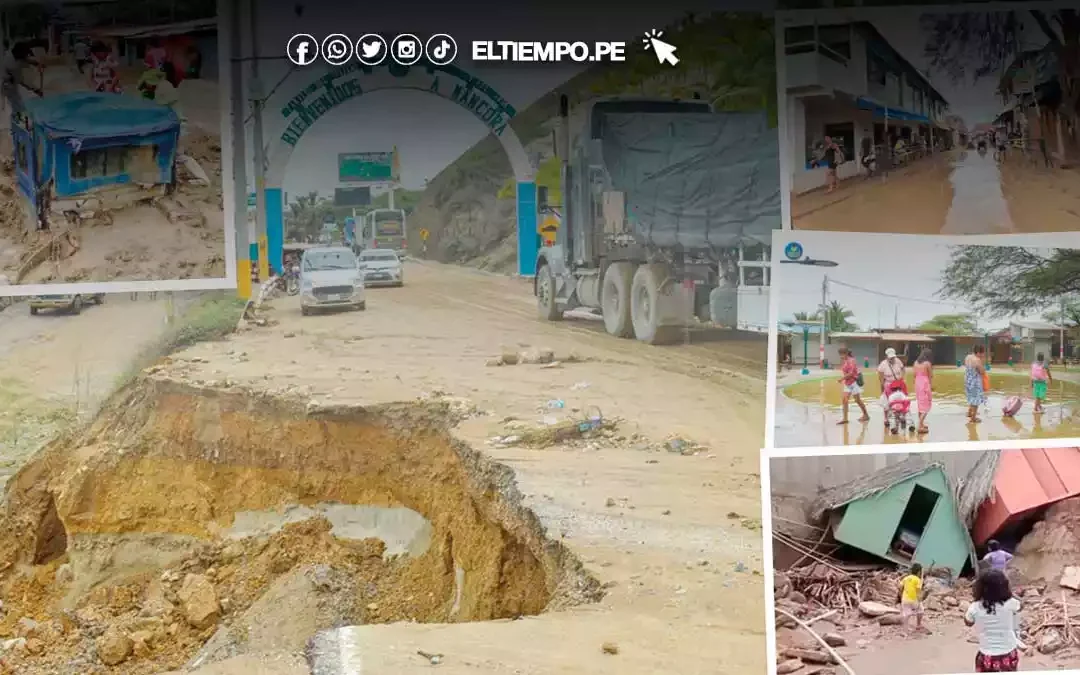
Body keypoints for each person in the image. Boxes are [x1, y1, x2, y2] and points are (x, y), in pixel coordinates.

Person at [965, 569, 1022, 672]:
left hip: (986, 655)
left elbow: (968, 622)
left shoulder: (975, 607)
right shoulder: (1012, 603)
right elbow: (1020, 606)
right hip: (1008, 652)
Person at [1, 42, 41, 114]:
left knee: (21, 104)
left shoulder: (15, 55)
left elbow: (25, 59)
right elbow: (18, 81)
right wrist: (32, 89)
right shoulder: (9, 63)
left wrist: (35, 63)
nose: (26, 55)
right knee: (18, 107)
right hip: (8, 88)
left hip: (13, 84)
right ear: (19, 53)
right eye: (25, 54)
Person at [837, 347, 870, 425]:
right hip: (847, 383)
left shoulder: (851, 361)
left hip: (854, 383)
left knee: (857, 400)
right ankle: (845, 419)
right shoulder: (845, 361)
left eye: (842, 354)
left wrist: (842, 379)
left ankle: (866, 415)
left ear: (846, 353)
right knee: (844, 400)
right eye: (840, 355)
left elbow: (851, 373)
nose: (841, 356)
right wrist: (844, 379)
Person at [877, 347, 906, 427]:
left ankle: (901, 416)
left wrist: (902, 378)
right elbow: (881, 378)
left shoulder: (898, 361)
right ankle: (886, 418)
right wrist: (882, 389)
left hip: (898, 384)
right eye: (890, 358)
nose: (892, 359)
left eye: (893, 357)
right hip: (888, 384)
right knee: (886, 402)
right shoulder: (883, 364)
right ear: (886, 357)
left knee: (901, 400)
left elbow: (903, 370)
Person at [899, 563, 927, 634]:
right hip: (914, 600)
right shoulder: (918, 580)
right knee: (921, 610)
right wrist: (920, 600)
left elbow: (900, 587)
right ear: (919, 572)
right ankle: (918, 625)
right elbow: (918, 592)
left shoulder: (906, 578)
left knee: (906, 614)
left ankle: (904, 631)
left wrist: (901, 594)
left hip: (905, 599)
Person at [965, 345, 988, 424]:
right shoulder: (977, 360)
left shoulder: (968, 357)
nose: (983, 355)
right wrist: (982, 362)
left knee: (971, 397)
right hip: (975, 382)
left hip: (968, 380)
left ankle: (969, 412)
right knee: (976, 400)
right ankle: (973, 418)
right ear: (978, 352)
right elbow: (982, 371)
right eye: (982, 353)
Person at [914, 348, 934, 434]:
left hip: (918, 384)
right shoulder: (927, 364)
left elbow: (914, 375)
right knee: (926, 406)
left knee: (920, 405)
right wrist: (931, 387)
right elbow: (930, 376)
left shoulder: (915, 363)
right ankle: (919, 426)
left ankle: (921, 424)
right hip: (925, 384)